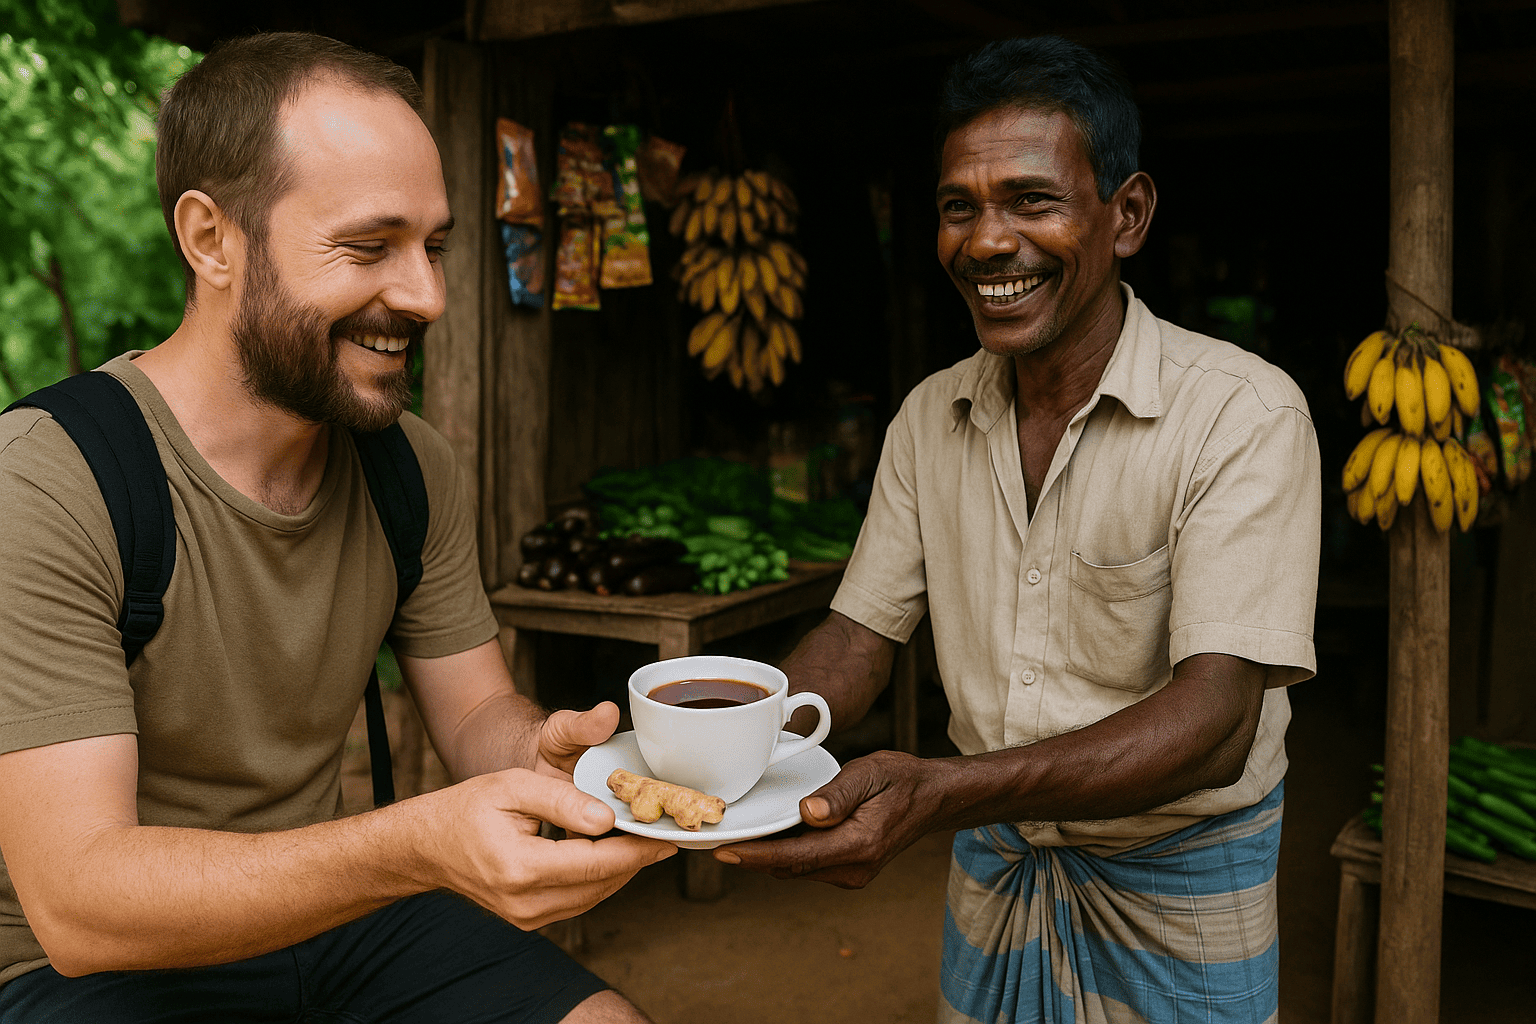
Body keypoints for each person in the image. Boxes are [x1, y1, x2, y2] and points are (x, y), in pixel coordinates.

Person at [0, 32, 675, 1024]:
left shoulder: (408, 465)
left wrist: (546, 757)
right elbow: (81, 901)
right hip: (97, 969)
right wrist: (411, 843)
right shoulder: (51, 479)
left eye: (434, 246)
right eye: (370, 247)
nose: (427, 296)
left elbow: (477, 715)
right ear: (210, 239)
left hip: (341, 915)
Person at [717, 35, 1320, 1024]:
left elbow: (1216, 725)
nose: (987, 241)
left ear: (1126, 215)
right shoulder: (928, 417)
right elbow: (858, 639)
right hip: (998, 866)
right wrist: (714, 750)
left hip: (1179, 883)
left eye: (1032, 200)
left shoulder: (1242, 416)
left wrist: (944, 792)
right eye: (960, 206)